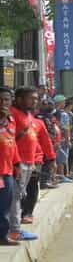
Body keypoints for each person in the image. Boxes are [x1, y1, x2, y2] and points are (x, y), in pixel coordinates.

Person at [8, 87, 53, 242]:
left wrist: (51, 158)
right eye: (31, 98)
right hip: (16, 163)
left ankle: (13, 227)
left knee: (19, 195)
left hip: (29, 163)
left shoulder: (32, 118)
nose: (35, 101)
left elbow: (45, 141)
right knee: (15, 197)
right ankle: (14, 230)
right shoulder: (12, 114)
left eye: (36, 98)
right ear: (19, 99)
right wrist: (15, 162)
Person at [0, 87, 20, 246]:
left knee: (5, 206)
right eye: (0, 100)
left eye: (6, 100)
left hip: (7, 171)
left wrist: (17, 163)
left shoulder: (11, 121)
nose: (3, 103)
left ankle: (3, 235)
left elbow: (12, 144)